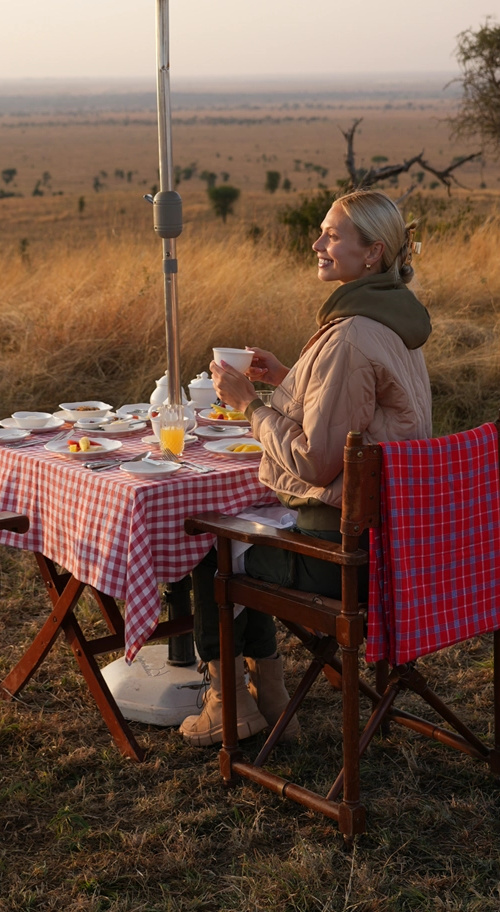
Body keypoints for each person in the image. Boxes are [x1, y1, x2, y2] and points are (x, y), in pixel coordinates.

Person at [180, 189, 433, 746]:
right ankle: (271, 699)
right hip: (401, 543)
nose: (317, 243)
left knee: (211, 548)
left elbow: (315, 463)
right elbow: (361, 411)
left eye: (332, 235)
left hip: (349, 559)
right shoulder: (394, 321)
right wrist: (290, 378)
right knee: (249, 533)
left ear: (372, 253)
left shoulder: (348, 335)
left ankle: (230, 706)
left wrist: (250, 404)